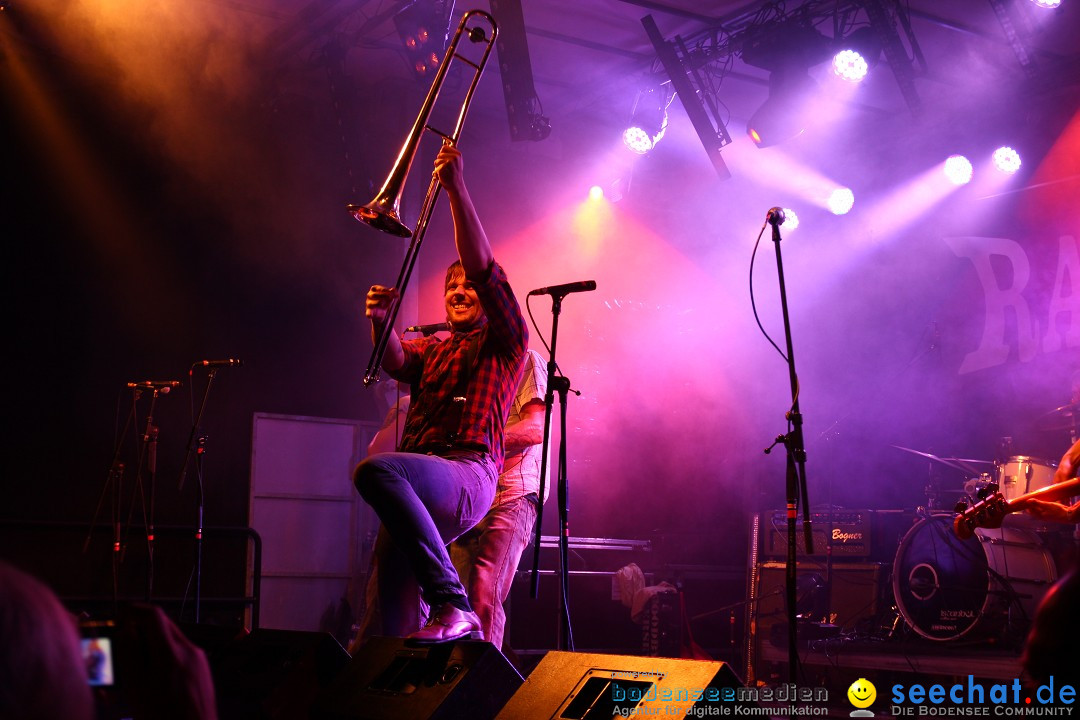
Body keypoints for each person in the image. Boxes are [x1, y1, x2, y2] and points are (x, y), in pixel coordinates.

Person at [353, 143, 527, 645]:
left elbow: (484, 269)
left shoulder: (505, 342)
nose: (458, 290)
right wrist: (380, 325)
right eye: (451, 286)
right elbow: (394, 360)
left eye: (468, 286)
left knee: (377, 469)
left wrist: (456, 189)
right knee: (389, 626)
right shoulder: (434, 348)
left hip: (469, 476)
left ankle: (453, 603)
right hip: (425, 479)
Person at [353, 349, 547, 653]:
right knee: (426, 583)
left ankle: (478, 690)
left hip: (509, 491)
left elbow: (536, 429)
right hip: (464, 489)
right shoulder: (459, 360)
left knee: (483, 591)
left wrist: (474, 447)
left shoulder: (523, 357)